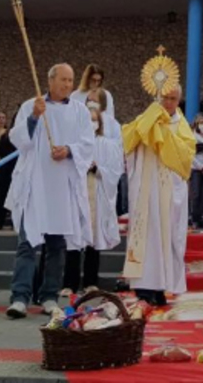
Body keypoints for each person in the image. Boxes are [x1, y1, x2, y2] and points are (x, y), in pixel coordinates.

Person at [5, 64, 95, 319]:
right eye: (63, 80)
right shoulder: (31, 106)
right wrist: (34, 117)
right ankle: (20, 296)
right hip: (36, 184)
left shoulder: (79, 111)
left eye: (71, 80)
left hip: (62, 186)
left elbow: (88, 143)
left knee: (56, 246)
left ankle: (49, 296)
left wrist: (68, 150)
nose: (67, 85)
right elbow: (17, 139)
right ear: (50, 80)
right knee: (27, 243)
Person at [122, 84, 196, 306]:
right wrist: (150, 121)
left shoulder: (181, 126)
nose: (168, 102)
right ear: (157, 97)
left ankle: (162, 286)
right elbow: (128, 141)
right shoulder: (144, 119)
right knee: (146, 236)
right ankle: (144, 288)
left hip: (170, 190)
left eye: (173, 98)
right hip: (147, 190)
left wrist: (161, 131)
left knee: (169, 237)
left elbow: (185, 158)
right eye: (164, 97)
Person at [64, 105, 123, 294]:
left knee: (93, 236)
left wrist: (99, 168)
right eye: (88, 119)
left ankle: (90, 282)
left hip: (96, 190)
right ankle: (69, 283)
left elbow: (115, 169)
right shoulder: (73, 143)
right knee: (73, 237)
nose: (92, 123)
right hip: (76, 191)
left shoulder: (107, 144)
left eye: (94, 119)